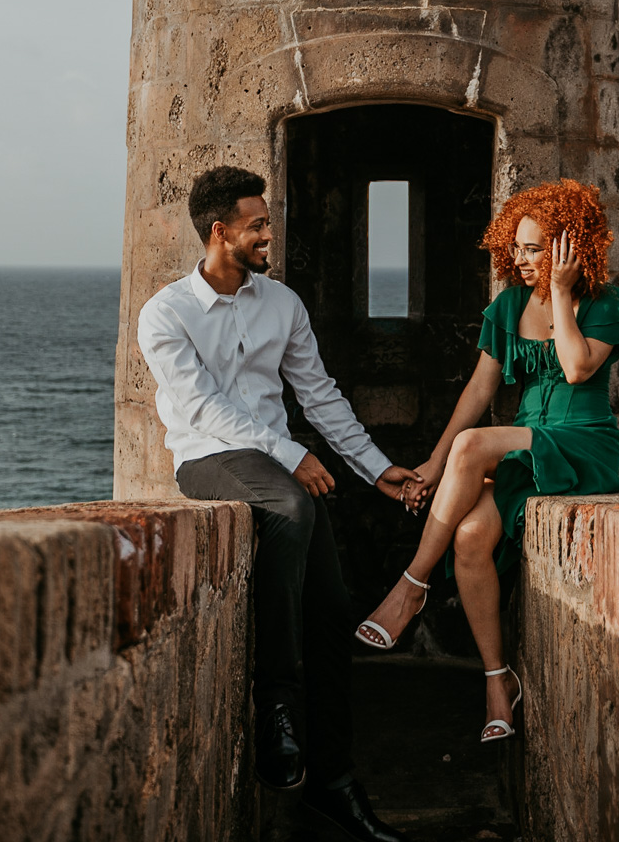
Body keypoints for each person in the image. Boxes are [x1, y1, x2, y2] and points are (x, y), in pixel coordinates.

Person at [137, 164, 418, 842]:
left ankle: (334, 783)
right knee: (292, 507)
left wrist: (375, 467)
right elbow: (201, 407)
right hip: (208, 460)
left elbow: (319, 395)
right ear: (220, 231)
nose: (270, 233)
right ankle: (276, 704)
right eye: (258, 224)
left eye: (268, 222)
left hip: (275, 465)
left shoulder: (283, 305)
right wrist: (291, 454)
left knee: (332, 611)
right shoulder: (164, 314)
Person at [355, 178, 619, 744]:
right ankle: (496, 680)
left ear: (568, 245)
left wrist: (560, 292)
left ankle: (411, 587)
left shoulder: (607, 303)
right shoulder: (507, 305)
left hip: (582, 444)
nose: (521, 258)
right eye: (519, 246)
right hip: (528, 443)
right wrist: (434, 466)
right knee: (472, 535)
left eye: (536, 248)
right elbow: (479, 392)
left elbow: (578, 370)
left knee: (472, 446)